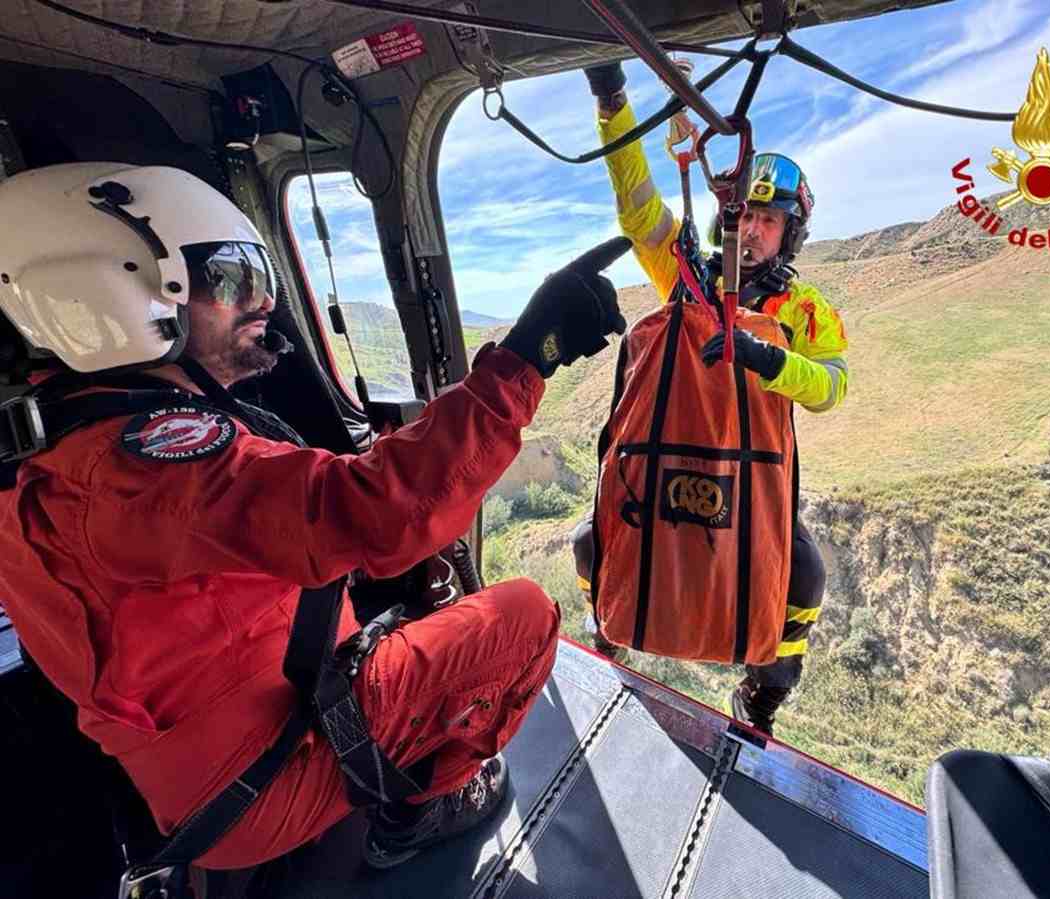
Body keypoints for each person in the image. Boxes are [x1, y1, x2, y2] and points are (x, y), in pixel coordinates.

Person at [0, 162, 630, 870]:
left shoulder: (58, 440)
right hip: (263, 776)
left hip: (201, 754)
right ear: (112, 294)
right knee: (525, 615)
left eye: (260, 278)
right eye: (228, 280)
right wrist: (527, 358)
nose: (261, 304)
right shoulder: (134, 467)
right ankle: (417, 815)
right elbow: (376, 515)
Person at [571, 61, 850, 737]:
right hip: (673, 450)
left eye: (768, 220)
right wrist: (612, 103)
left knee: (804, 573)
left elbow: (831, 385)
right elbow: (640, 207)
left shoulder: (805, 308)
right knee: (589, 542)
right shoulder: (686, 272)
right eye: (745, 215)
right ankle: (604, 631)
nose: (751, 231)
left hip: (752, 472)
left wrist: (769, 359)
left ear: (790, 232)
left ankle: (763, 693)